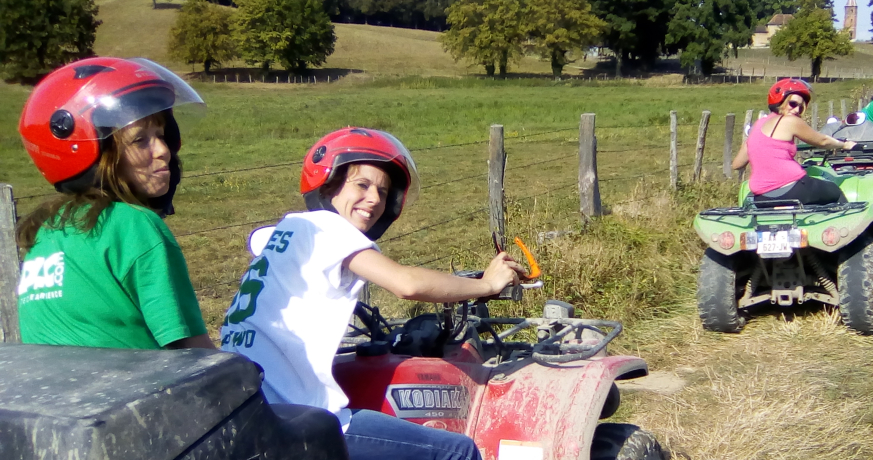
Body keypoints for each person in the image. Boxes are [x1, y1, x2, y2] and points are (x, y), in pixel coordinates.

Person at [218, 127, 526, 460]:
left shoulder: (281, 233)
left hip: (243, 407)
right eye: (362, 185)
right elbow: (406, 283)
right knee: (457, 450)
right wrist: (487, 285)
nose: (375, 199)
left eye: (383, 191)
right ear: (330, 184)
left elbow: (258, 241)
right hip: (293, 421)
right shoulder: (326, 228)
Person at [15, 57, 213, 350]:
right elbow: (195, 355)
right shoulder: (134, 225)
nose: (163, 151)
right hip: (139, 393)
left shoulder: (47, 232)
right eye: (140, 141)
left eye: (160, 135)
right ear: (93, 152)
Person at [731, 79, 858, 206]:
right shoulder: (789, 121)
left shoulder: (757, 126)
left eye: (801, 107)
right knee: (835, 191)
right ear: (780, 101)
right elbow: (823, 141)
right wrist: (844, 145)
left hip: (762, 197)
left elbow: (737, 164)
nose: (797, 110)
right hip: (793, 188)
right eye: (793, 104)